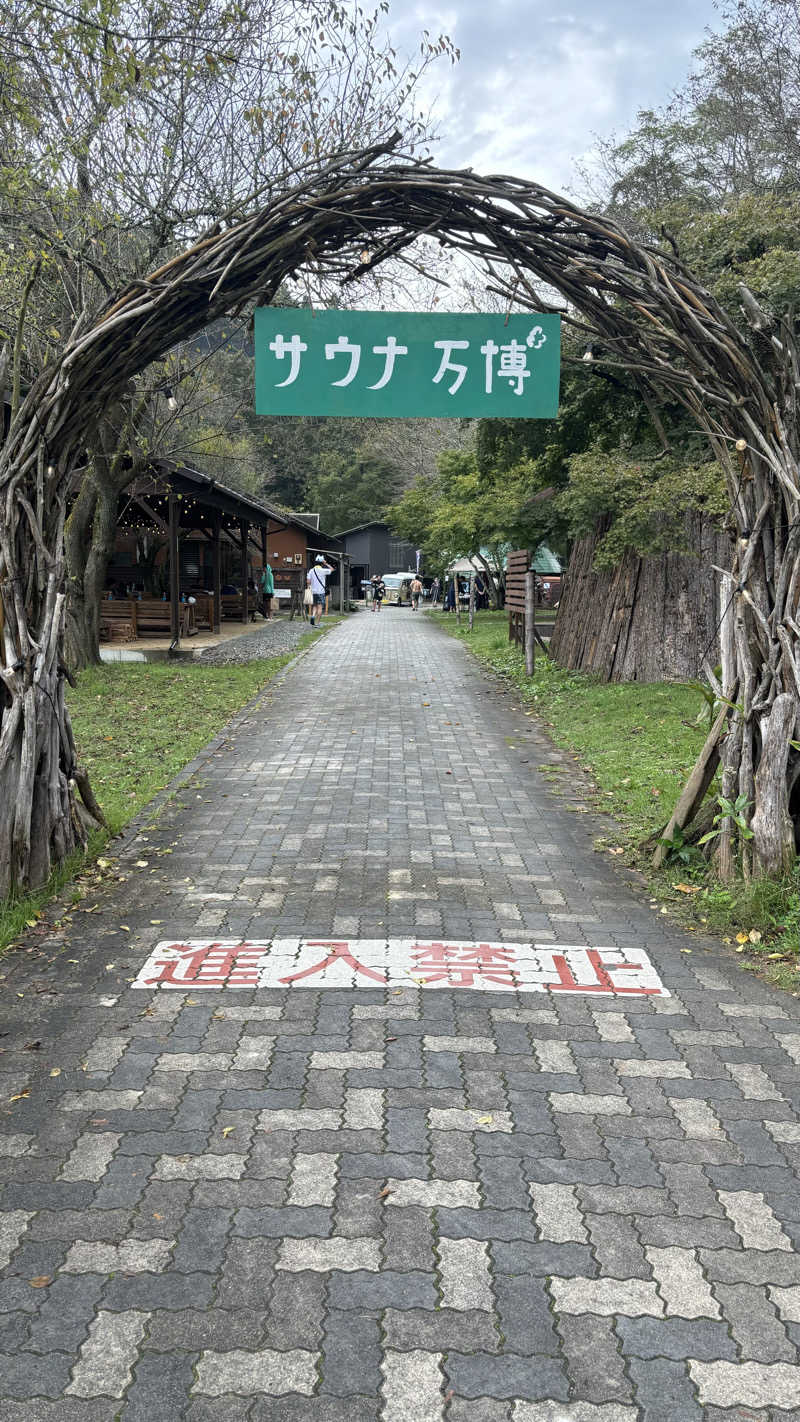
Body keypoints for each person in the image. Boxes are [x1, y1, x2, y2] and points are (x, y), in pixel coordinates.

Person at [307, 554, 333, 626]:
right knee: (320, 607)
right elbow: (332, 569)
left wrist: (311, 584)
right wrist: (326, 563)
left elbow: (308, 582)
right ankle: (317, 623)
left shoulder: (311, 571)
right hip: (321, 592)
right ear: (321, 563)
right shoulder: (323, 570)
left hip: (313, 591)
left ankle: (312, 616)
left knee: (315, 606)